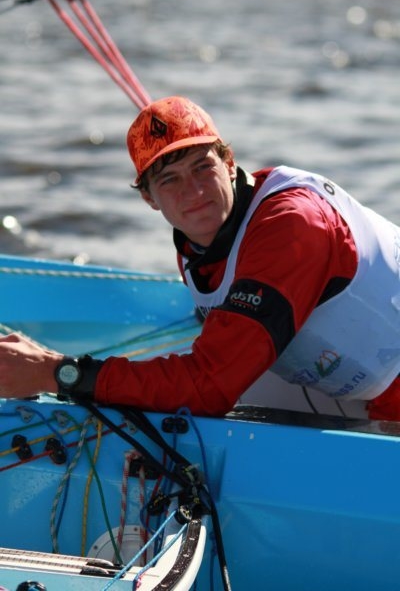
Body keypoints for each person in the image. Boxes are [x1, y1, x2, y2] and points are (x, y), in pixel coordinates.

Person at [0, 95, 400, 421]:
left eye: (202, 167)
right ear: (149, 199)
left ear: (229, 163)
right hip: (360, 381)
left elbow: (209, 387)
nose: (193, 192)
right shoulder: (198, 242)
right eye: (170, 179)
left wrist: (58, 373)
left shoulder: (291, 225)